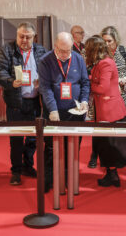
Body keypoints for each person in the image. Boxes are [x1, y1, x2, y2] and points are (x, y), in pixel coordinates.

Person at [0, 22, 46, 185]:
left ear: (34, 37)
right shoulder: (7, 49)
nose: (24, 40)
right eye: (21, 36)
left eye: (28, 37)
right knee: (16, 139)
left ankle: (28, 165)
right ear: (17, 36)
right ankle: (16, 170)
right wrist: (11, 81)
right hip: (16, 102)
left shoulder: (40, 50)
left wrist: (43, 82)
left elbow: (47, 71)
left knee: (33, 139)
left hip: (35, 101)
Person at [38, 32, 90, 192]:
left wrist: (84, 100)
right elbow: (45, 88)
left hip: (75, 113)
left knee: (73, 147)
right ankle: (48, 180)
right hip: (53, 112)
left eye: (68, 51)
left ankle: (69, 178)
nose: (65, 55)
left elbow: (85, 83)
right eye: (61, 51)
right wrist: (52, 109)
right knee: (51, 148)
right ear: (55, 46)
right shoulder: (45, 61)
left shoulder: (78, 58)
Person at [85, 35, 126, 187]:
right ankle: (111, 174)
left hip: (109, 110)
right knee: (106, 145)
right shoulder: (101, 62)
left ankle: (112, 175)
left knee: (109, 145)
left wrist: (89, 85)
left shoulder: (106, 63)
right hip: (105, 109)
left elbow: (103, 87)